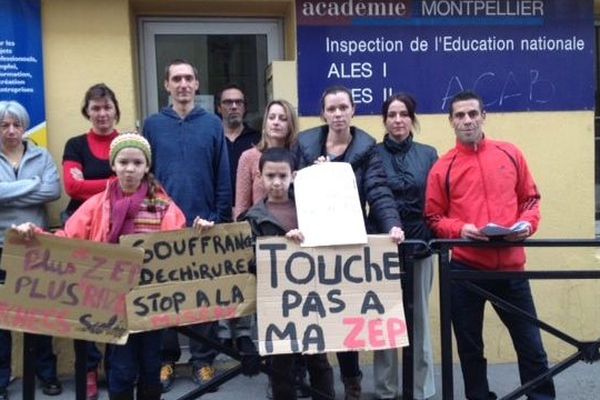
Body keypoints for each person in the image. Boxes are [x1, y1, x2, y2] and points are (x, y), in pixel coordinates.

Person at [14, 133, 187, 400]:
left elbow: (181, 246)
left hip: (151, 304)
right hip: (112, 304)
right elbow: (67, 240)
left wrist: (202, 232)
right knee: (121, 370)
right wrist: (34, 235)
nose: (130, 169)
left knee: (151, 368)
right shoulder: (96, 205)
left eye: (137, 162)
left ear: (146, 167)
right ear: (113, 165)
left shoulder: (164, 207)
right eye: (124, 162)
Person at [424, 91, 556, 400]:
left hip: (512, 269)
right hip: (465, 272)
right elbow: (433, 216)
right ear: (451, 122)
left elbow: (531, 200)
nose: (467, 120)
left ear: (484, 116)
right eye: (460, 115)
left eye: (472, 114)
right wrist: (462, 229)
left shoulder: (510, 153)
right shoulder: (444, 167)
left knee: (532, 347)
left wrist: (526, 224)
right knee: (471, 351)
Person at [295, 85, 404, 400]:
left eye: (343, 107)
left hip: (349, 243)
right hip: (313, 242)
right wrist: (310, 177)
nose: (338, 114)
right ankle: (319, 384)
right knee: (316, 315)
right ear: (323, 113)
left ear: (353, 110)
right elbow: (290, 187)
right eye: (332, 109)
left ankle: (352, 382)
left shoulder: (367, 147)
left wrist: (392, 225)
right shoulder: (305, 144)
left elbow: (378, 191)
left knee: (347, 318)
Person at [142, 58, 232, 392]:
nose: (182, 84)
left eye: (188, 79)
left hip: (202, 226)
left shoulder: (211, 124)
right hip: (160, 228)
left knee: (202, 298)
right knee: (165, 297)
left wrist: (219, 217)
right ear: (166, 85)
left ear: (197, 85)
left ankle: (203, 361)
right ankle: (166, 360)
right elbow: (144, 174)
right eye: (176, 79)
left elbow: (222, 174)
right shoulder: (152, 125)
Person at [243, 147, 335, 400]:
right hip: (276, 304)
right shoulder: (251, 219)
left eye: (282, 176)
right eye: (270, 176)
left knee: (318, 360)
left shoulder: (310, 207)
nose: (276, 182)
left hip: (312, 297)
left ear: (293, 176)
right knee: (280, 365)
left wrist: (325, 176)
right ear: (259, 177)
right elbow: (248, 261)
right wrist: (282, 245)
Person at [372, 93, 437, 400]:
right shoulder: (371, 154)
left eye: (404, 114)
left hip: (421, 243)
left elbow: (436, 199)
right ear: (384, 120)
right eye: (392, 114)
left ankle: (420, 390)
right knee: (384, 318)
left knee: (420, 318)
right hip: (382, 245)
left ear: (412, 118)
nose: (398, 119)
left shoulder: (428, 154)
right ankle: (386, 389)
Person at [62, 82, 121, 400]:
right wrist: (113, 183)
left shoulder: (127, 142)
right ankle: (87, 370)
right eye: (96, 108)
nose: (102, 113)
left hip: (118, 233)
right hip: (83, 234)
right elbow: (72, 188)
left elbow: (134, 183)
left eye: (107, 107)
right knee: (84, 306)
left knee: (115, 306)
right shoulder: (75, 145)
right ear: (88, 111)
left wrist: (97, 183)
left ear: (116, 110)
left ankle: (116, 366)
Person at [0, 100, 62, 399]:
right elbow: (40, 188)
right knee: (0, 321)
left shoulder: (41, 155)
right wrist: (32, 185)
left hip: (35, 245)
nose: (11, 131)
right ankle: (1, 380)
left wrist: (8, 194)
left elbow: (52, 191)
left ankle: (47, 375)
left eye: (16, 125)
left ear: (24, 127)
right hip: (1, 246)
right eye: (4, 125)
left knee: (40, 315)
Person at [234, 99, 298, 220]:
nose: (276, 122)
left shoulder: (299, 156)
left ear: (291, 125)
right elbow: (241, 209)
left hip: (294, 229)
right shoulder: (249, 157)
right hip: (259, 229)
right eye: (271, 117)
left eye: (282, 119)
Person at [217, 83, 261, 204]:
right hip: (217, 212)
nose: (234, 106)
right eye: (228, 102)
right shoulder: (213, 140)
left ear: (245, 107)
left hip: (251, 211)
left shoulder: (258, 140)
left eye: (239, 102)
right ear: (219, 108)